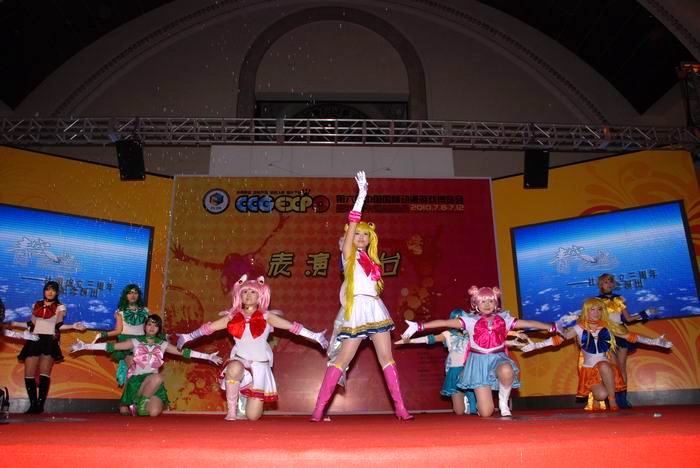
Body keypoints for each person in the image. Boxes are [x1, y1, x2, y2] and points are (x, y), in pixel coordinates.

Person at [310, 171, 413, 422]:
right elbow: (353, 221)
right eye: (357, 233)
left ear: (371, 238)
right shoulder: (348, 255)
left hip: (375, 308)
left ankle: (400, 408)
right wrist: (362, 195)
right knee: (343, 359)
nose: (361, 237)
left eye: (365, 234)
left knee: (387, 358)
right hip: (356, 308)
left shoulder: (372, 260)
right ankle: (319, 409)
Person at [176, 274, 328, 421]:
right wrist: (187, 337)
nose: (248, 295)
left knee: (253, 416)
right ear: (239, 295)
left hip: (260, 367)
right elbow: (208, 328)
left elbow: (292, 327)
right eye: (245, 292)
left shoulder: (267, 316)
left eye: (253, 292)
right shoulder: (232, 317)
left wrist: (315, 336)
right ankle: (232, 411)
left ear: (260, 296)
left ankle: (245, 397)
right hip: (241, 362)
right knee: (233, 368)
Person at [402, 285, 558, 417]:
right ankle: (479, 402)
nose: (487, 304)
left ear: (495, 303)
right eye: (483, 301)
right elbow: (444, 322)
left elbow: (529, 322)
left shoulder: (504, 318)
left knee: (507, 370)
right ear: (476, 303)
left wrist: (551, 326)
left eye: (491, 301)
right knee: (486, 412)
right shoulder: (469, 320)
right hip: (478, 363)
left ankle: (503, 403)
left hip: (498, 358)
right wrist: (419, 326)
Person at [521, 297, 672, 411]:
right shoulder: (579, 328)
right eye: (593, 309)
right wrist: (535, 345)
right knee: (601, 395)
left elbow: (631, 337)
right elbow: (558, 339)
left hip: (606, 368)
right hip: (589, 371)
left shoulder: (609, 326)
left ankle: (613, 400)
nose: (596, 313)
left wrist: (655, 342)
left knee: (604, 365)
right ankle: (603, 397)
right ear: (586, 311)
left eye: (599, 309)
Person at [71, 314, 222, 416]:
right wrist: (85, 346)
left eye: (155, 326)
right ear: (145, 326)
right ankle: (137, 401)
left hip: (153, 386)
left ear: (159, 329)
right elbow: (110, 347)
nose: (151, 328)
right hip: (138, 382)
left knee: (154, 413)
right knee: (157, 378)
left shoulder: (163, 344)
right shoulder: (135, 342)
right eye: (149, 324)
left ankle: (140, 404)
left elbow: (185, 353)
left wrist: (208, 356)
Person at [17, 281, 87, 414]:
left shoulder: (60, 307)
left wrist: (73, 326)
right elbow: (31, 324)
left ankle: (40, 405)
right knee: (29, 373)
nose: (50, 292)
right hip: (34, 339)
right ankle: (33, 405)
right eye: (48, 289)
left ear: (57, 292)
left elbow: (59, 325)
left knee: (44, 373)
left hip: (49, 340)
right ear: (44, 291)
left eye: (53, 290)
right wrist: (12, 323)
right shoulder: (36, 304)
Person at [596, 273, 654, 408]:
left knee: (622, 366)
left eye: (611, 282)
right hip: (607, 334)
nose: (609, 284)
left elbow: (628, 319)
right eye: (605, 282)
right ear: (600, 285)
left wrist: (645, 313)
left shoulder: (619, 299)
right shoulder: (597, 301)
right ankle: (612, 398)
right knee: (613, 367)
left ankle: (623, 399)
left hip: (622, 333)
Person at [93, 284, 149, 386]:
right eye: (130, 293)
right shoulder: (121, 312)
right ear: (125, 295)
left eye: (135, 293)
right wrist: (102, 335)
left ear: (138, 295)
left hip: (141, 343)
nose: (133, 295)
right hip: (126, 343)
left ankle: (136, 393)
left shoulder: (145, 311)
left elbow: (148, 329)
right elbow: (118, 331)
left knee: (142, 373)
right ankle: (131, 394)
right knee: (132, 368)